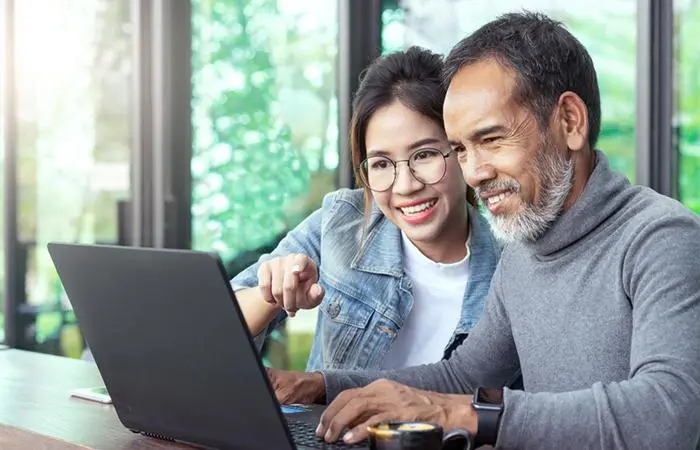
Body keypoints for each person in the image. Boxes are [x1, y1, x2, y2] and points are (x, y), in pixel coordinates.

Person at [267, 12, 700, 450]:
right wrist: (320, 385)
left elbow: (669, 413)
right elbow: (462, 376)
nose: (474, 173)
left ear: (569, 121)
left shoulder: (662, 238)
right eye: (460, 149)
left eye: (491, 140)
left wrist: (456, 413)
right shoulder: (525, 251)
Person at [231, 46, 502, 375]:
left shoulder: (509, 270)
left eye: (425, 155)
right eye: (381, 163)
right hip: (328, 427)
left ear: (461, 151)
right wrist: (271, 294)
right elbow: (215, 327)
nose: (404, 186)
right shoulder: (343, 222)